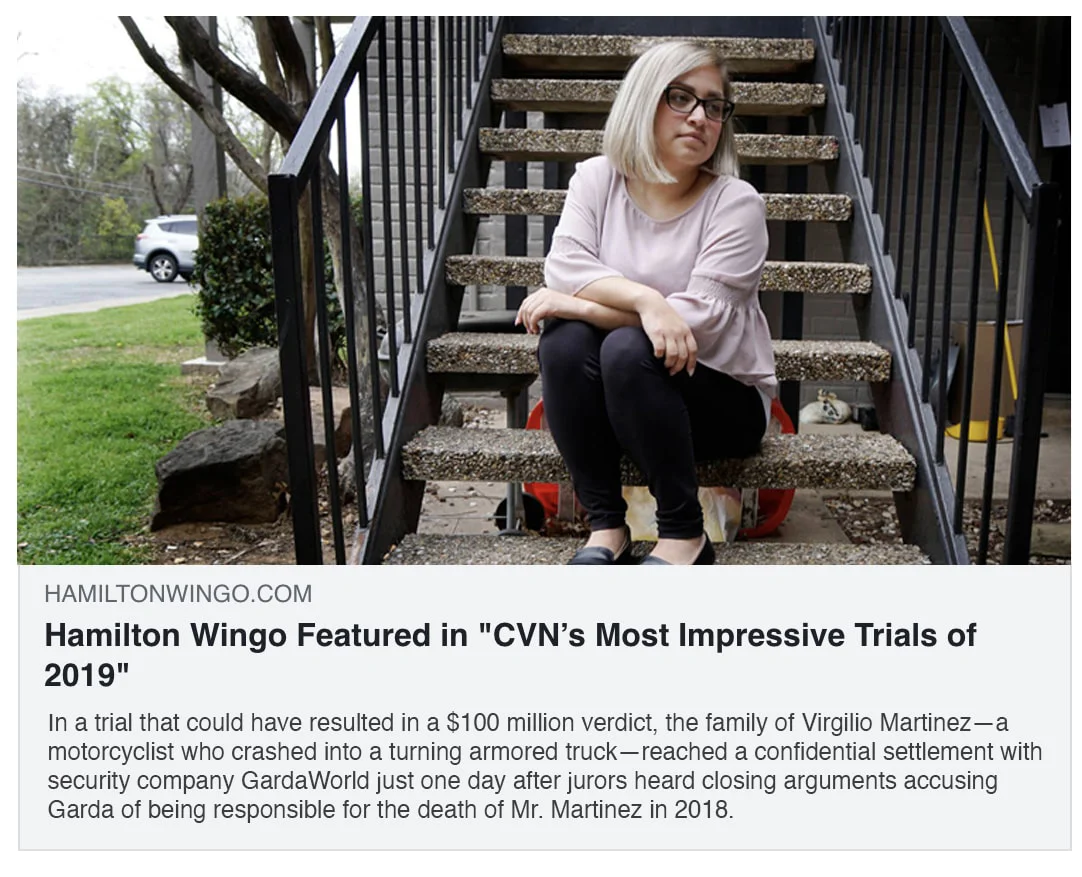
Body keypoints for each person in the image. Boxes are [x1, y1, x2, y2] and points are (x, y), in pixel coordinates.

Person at [515, 40, 776, 566]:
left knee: (625, 346)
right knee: (564, 343)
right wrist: (646, 299)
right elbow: (566, 269)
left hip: (719, 400)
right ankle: (606, 528)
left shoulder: (737, 204)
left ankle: (684, 535)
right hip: (626, 399)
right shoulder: (596, 178)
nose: (701, 116)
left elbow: (692, 325)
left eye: (714, 104)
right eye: (680, 98)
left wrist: (586, 306)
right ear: (642, 101)